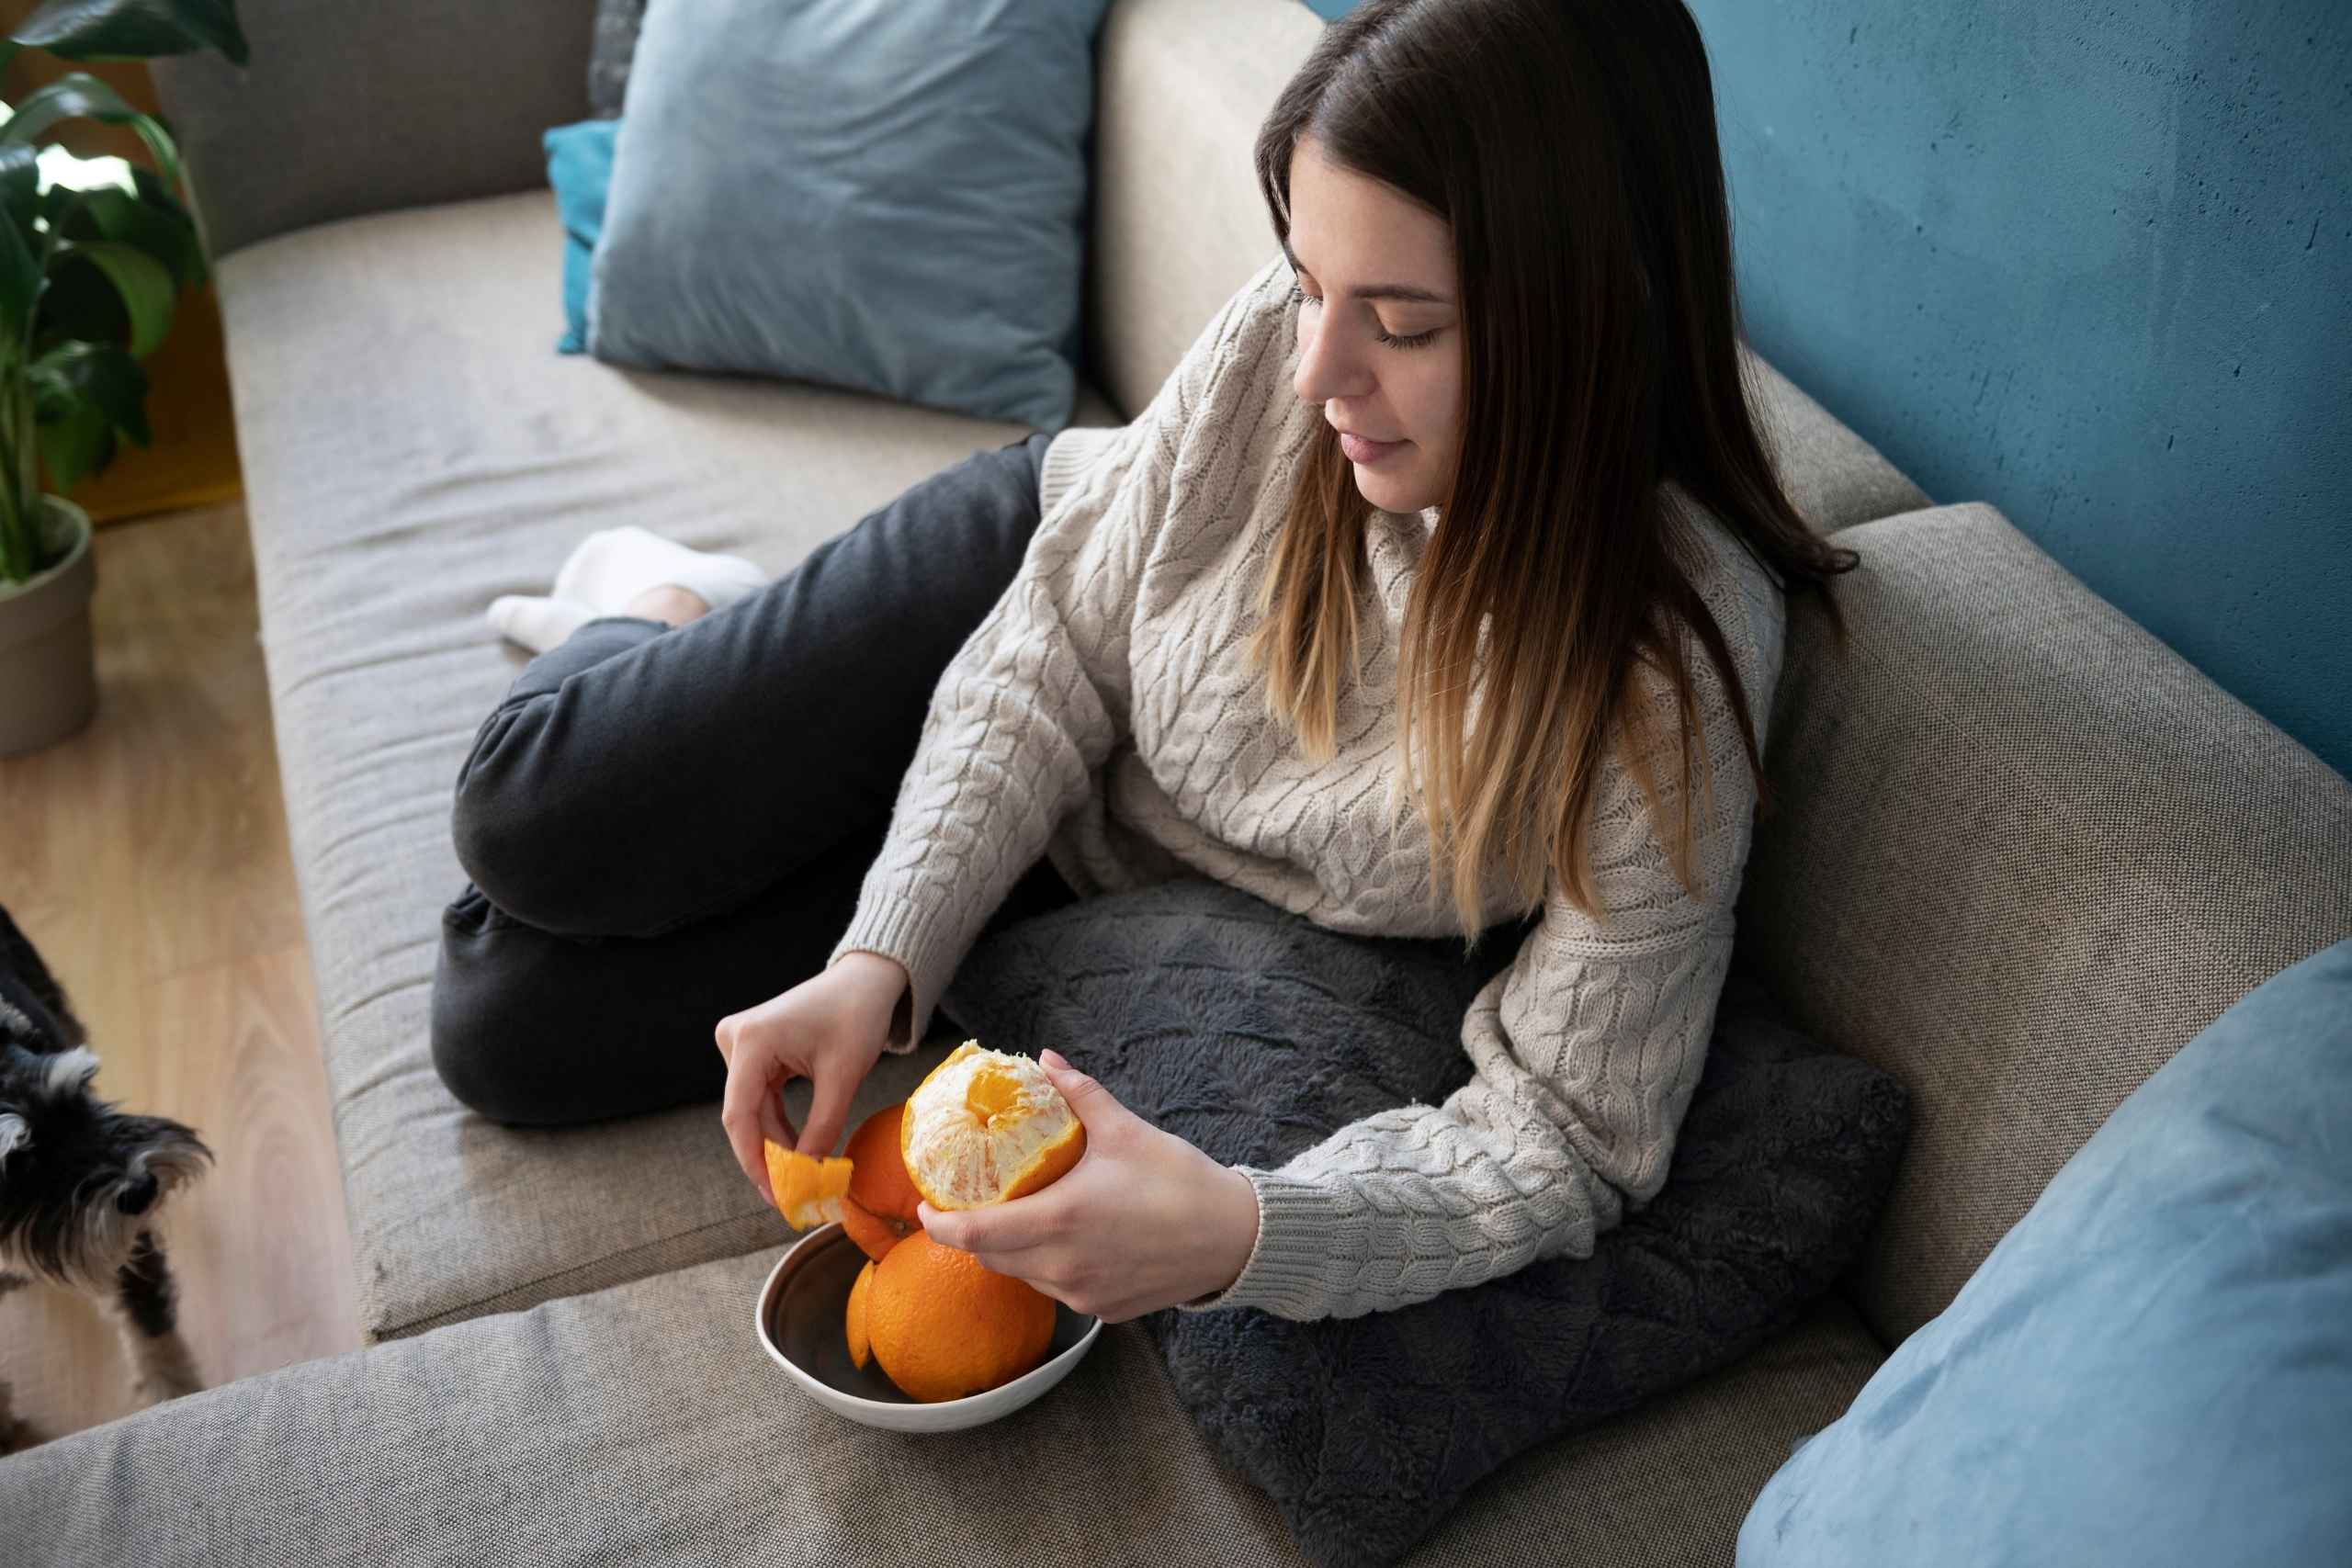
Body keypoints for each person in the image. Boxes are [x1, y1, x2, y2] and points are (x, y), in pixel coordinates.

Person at [430, 0, 1859, 1325]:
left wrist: (1245, 1232)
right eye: (1308, 286)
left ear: (1584, 323)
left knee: (507, 1028)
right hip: (1008, 592)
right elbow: (1053, 650)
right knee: (526, 814)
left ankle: (715, 669)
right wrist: (883, 948)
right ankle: (667, 598)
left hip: (1087, 873)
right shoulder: (1275, 364)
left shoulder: (1663, 677)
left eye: (1403, 324)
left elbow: (1567, 1134)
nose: (1316, 375)